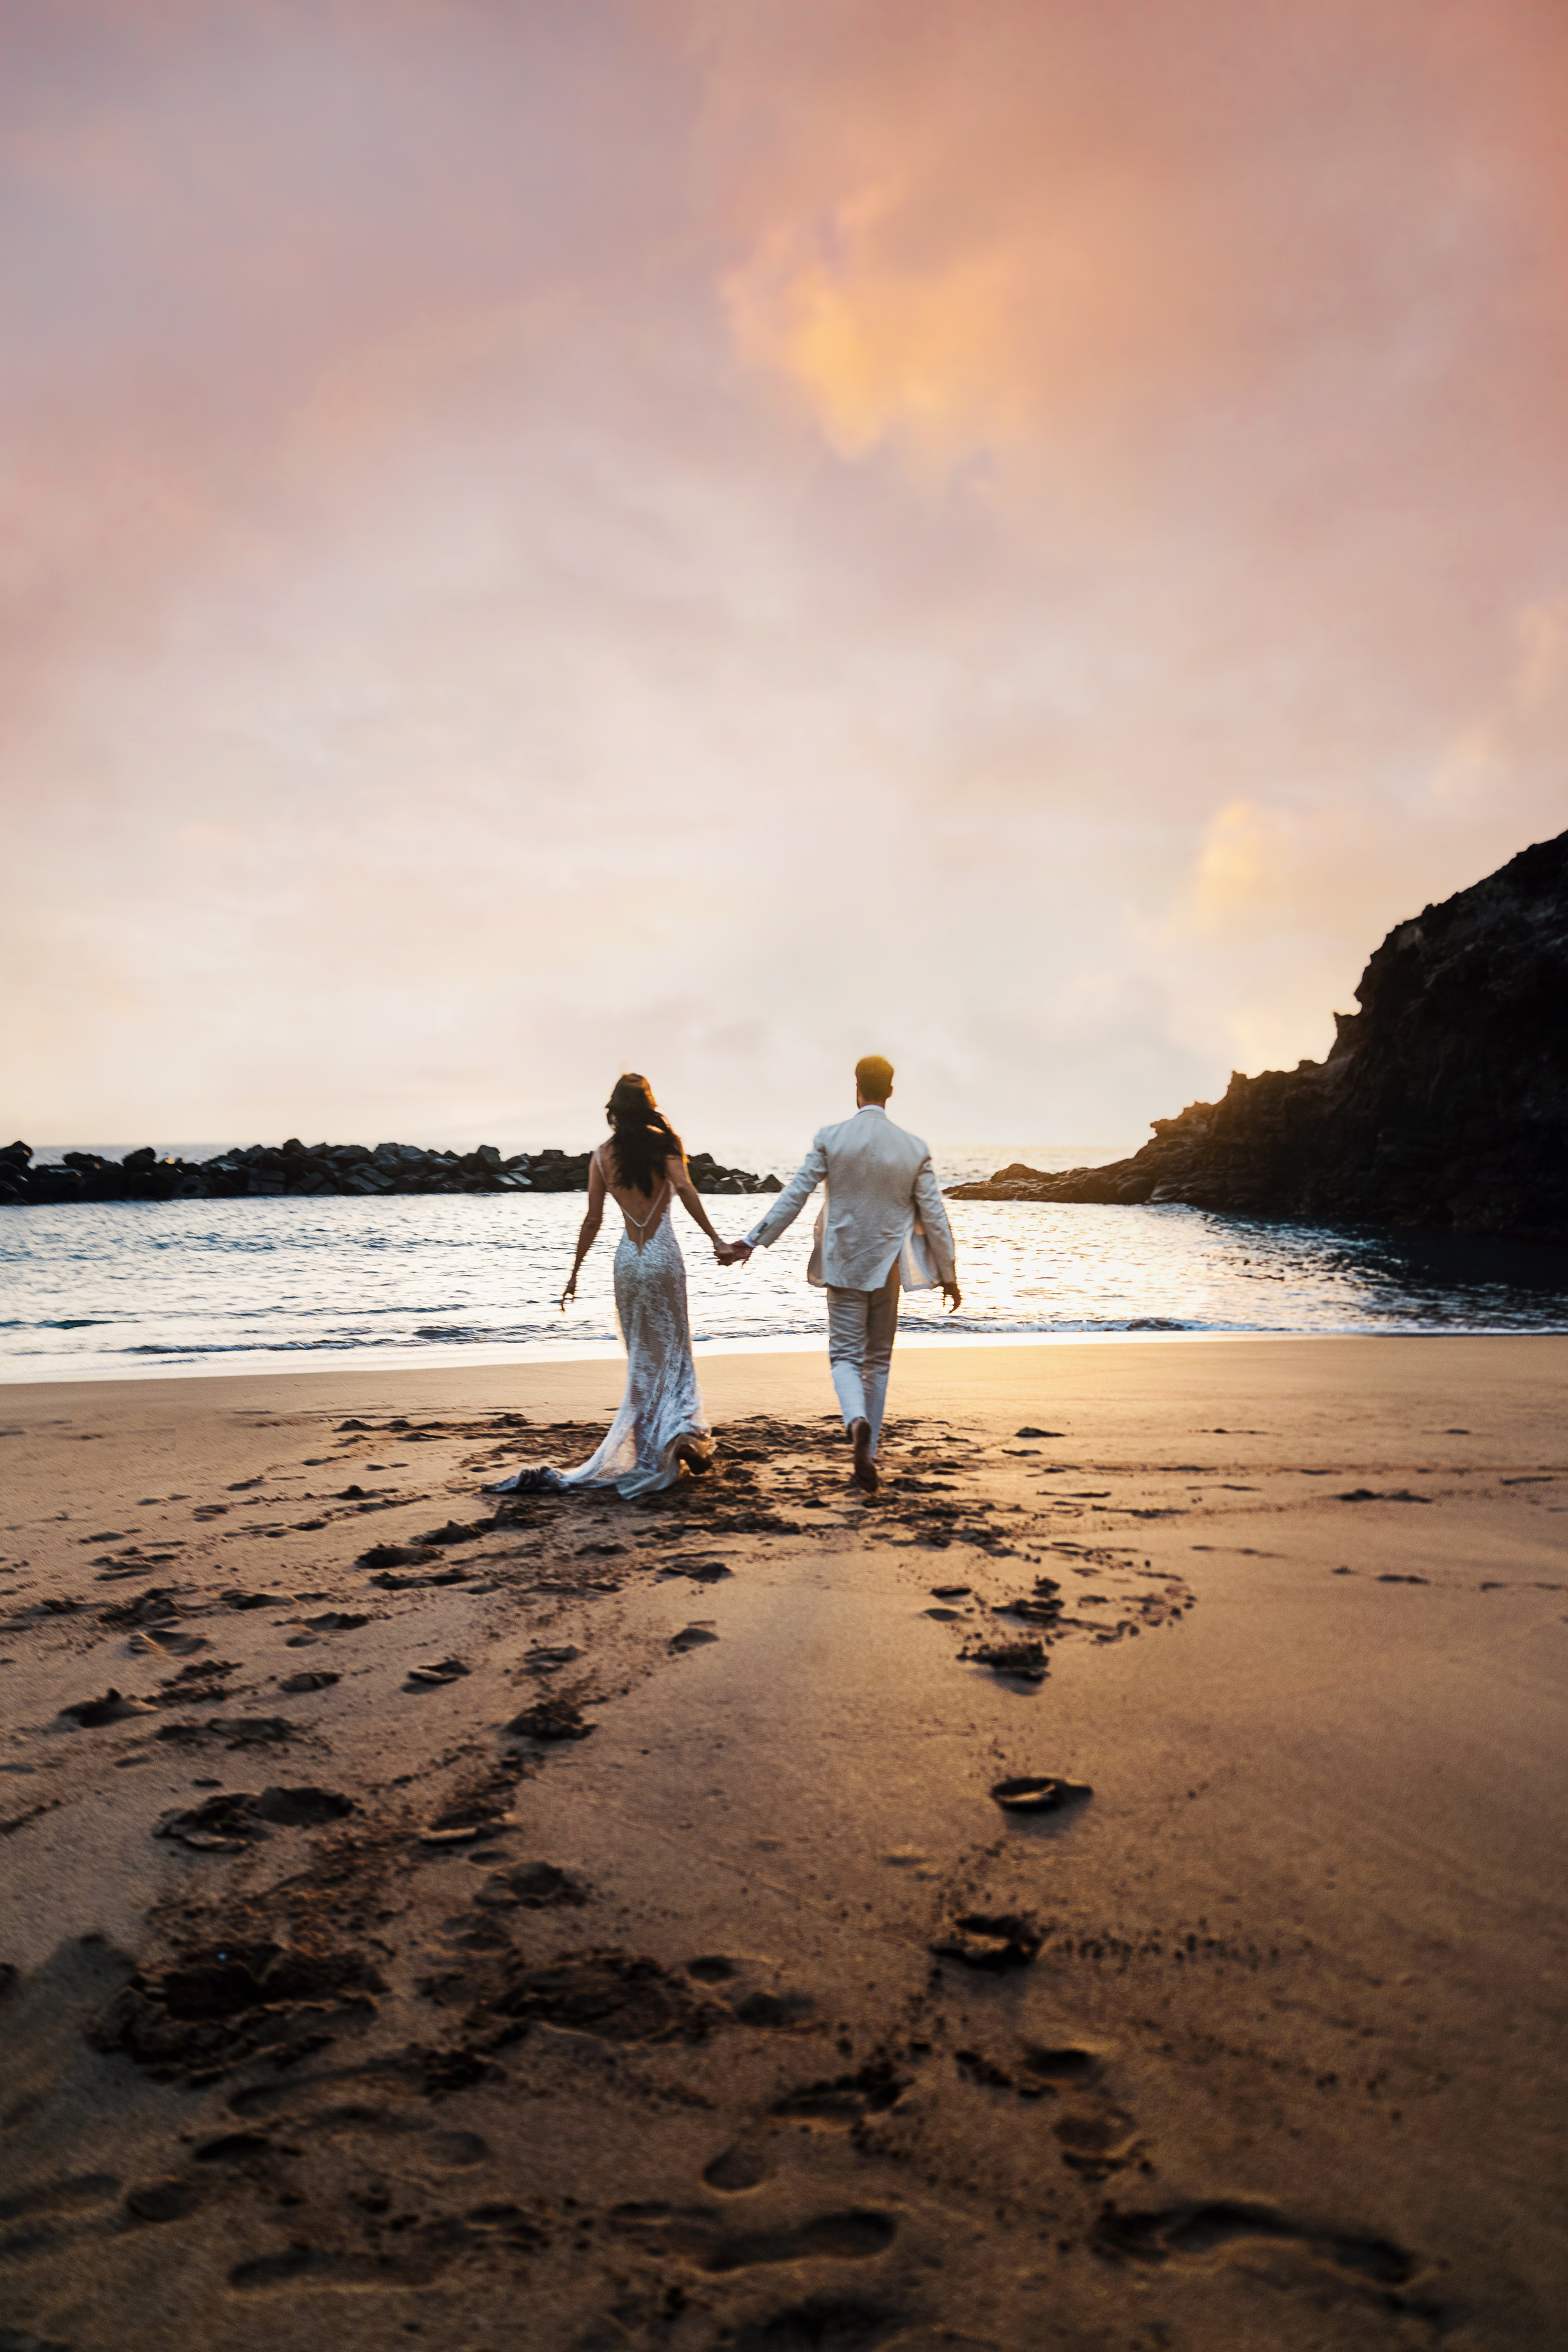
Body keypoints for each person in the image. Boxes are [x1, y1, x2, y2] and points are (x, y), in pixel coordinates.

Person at [485, 1075, 739, 1500]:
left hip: (628, 1262)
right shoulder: (666, 1146)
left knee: (642, 1356)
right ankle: (682, 1434)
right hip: (663, 1257)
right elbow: (684, 1187)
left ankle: (647, 1453)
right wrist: (716, 1238)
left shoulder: (602, 1156)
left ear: (615, 1111)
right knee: (675, 1349)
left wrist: (574, 1273)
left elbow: (593, 1219)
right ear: (648, 1106)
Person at [728, 1055, 960, 1493]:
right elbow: (935, 1216)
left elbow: (795, 1196)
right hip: (888, 1265)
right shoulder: (914, 1148)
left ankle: (855, 1422)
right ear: (891, 1091)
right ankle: (868, 1453)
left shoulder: (831, 1138)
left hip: (842, 1264)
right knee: (879, 1361)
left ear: (856, 1088)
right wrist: (948, 1273)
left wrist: (753, 1241)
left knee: (845, 1358)